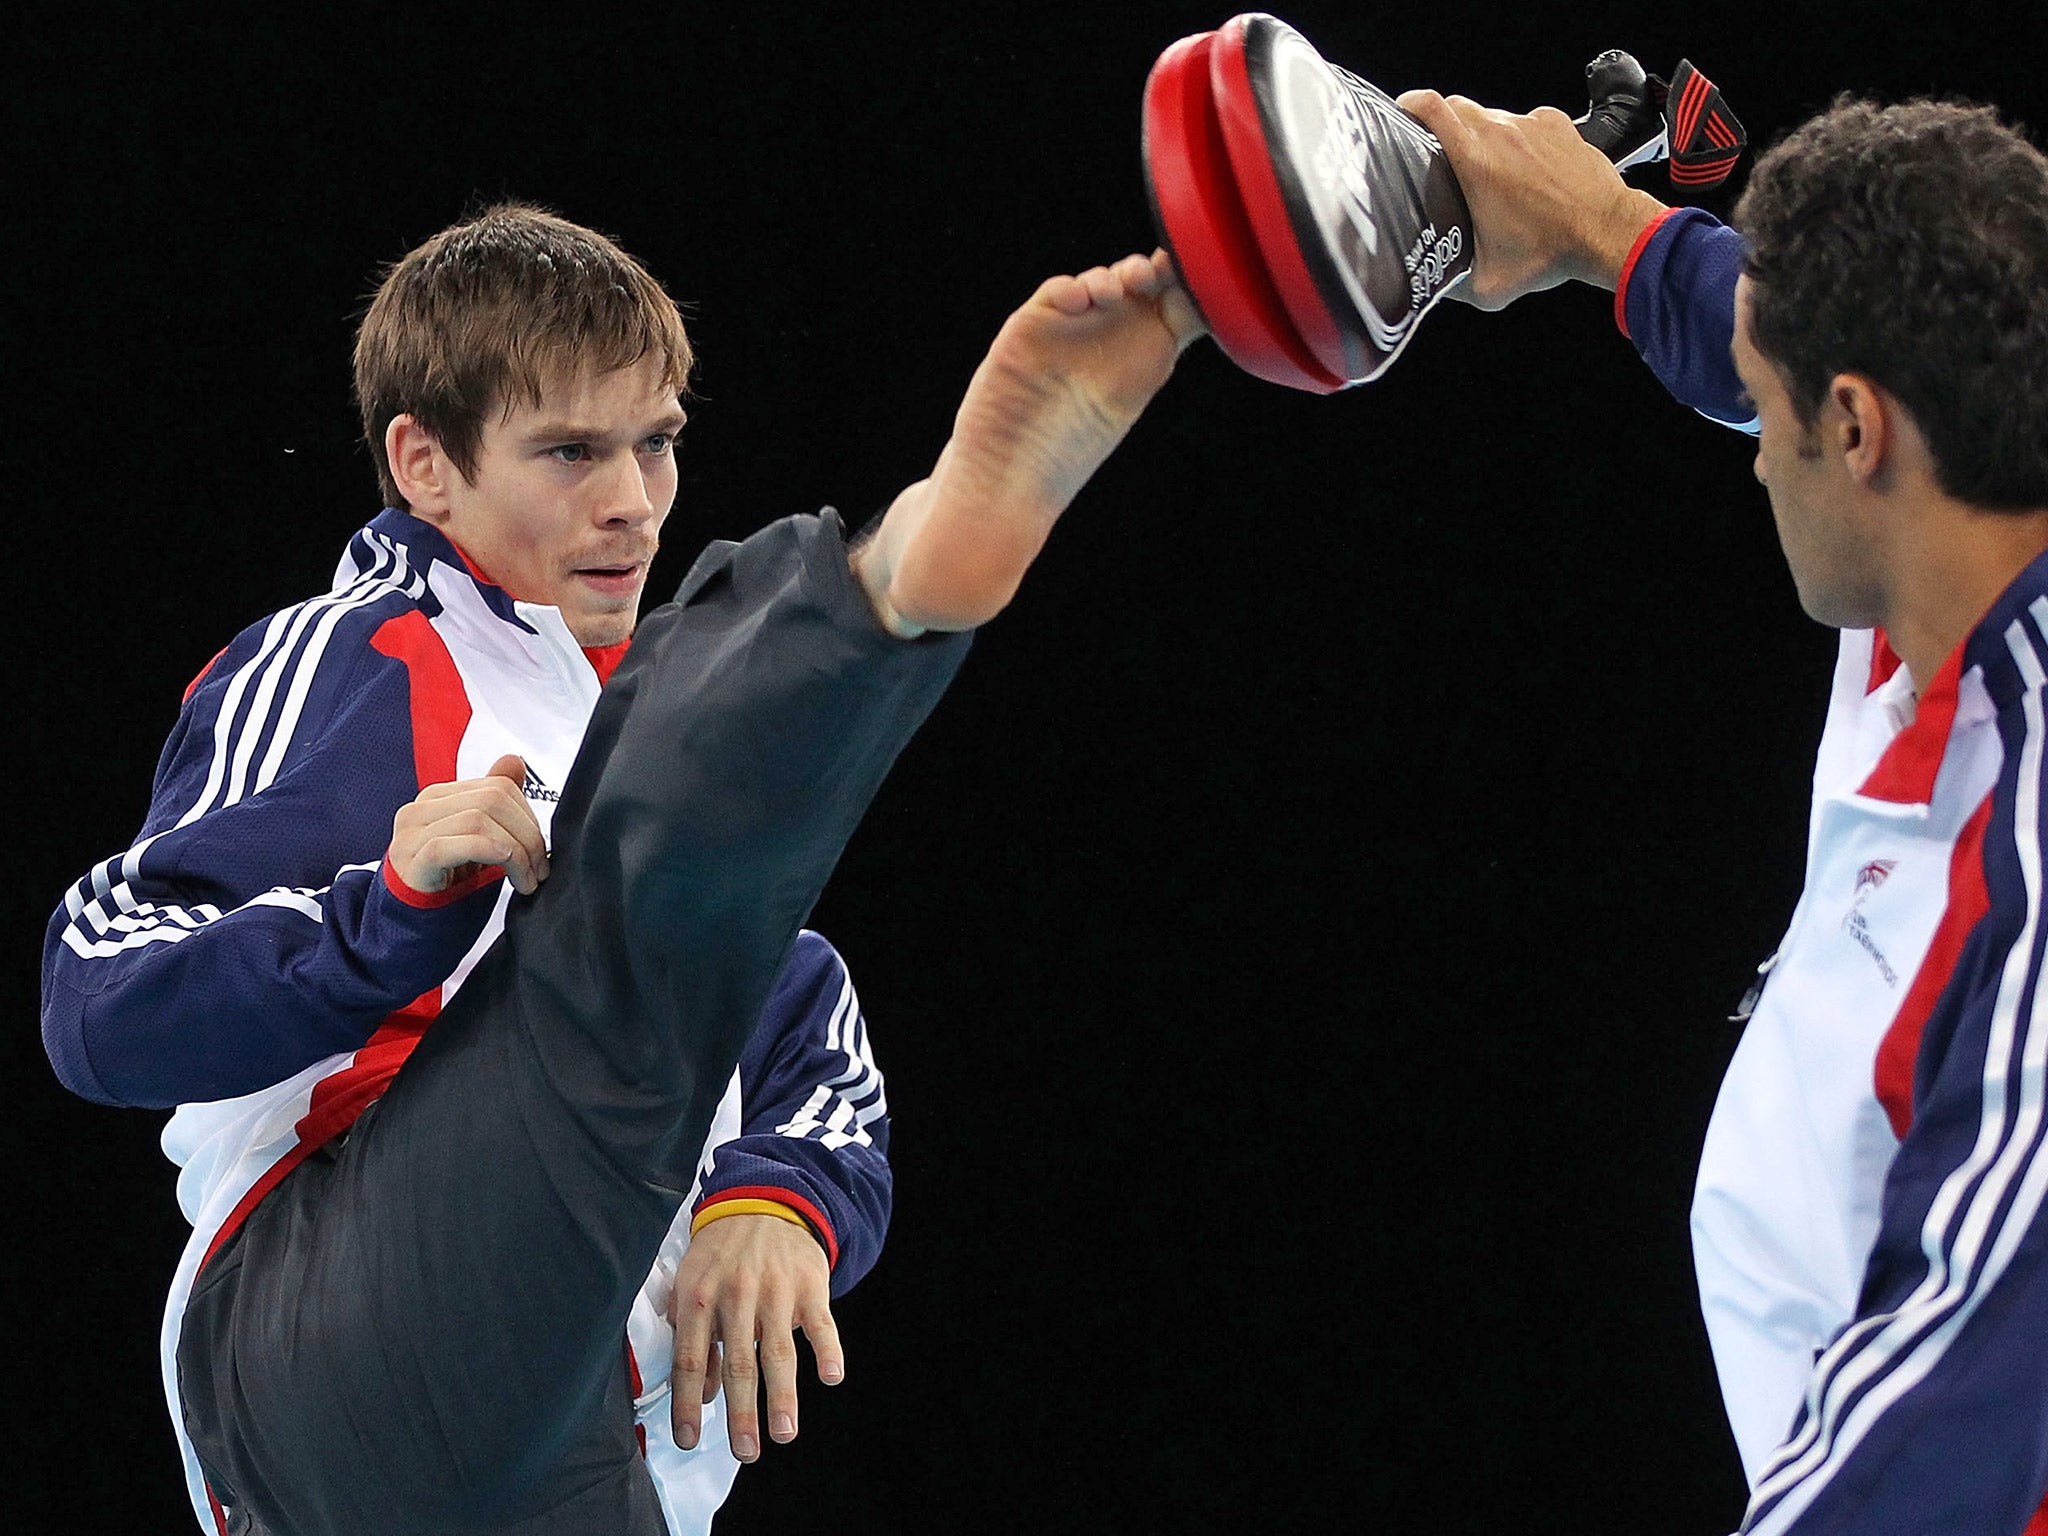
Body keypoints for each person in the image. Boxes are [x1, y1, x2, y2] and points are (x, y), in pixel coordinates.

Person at [40, 203, 1202, 1535]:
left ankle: (887, 600)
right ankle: (886, 595)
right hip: (336, 1326)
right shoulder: (359, 656)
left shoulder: (604, 736)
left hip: (599, 1456)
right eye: (572, 451)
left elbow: (812, 1027)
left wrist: (782, 1203)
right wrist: (381, 917)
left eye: (656, 442)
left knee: (716, 913)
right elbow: (93, 994)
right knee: (644, 884)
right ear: (424, 463)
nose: (634, 502)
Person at [1396, 86, 2048, 1533]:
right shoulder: (1968, 509)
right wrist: (1598, 228)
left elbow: (1946, 1418)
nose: (1752, 451)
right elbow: (1738, 321)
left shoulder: (2031, 857)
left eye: (1774, 416)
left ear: (1861, 429)